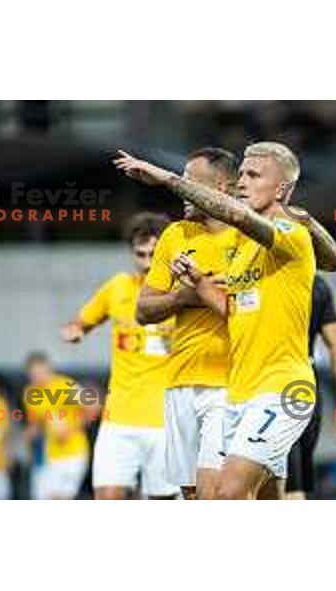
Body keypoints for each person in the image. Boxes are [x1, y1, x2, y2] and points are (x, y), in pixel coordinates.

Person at [114, 141, 336, 499]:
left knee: (226, 495)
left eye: (253, 175)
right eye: (241, 173)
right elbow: (234, 308)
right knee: (253, 498)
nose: (242, 181)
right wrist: (197, 283)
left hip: (284, 390)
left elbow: (242, 217)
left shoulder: (291, 235)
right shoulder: (244, 250)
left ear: (282, 189)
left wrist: (165, 178)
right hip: (241, 393)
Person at [137, 149, 237, 499]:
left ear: (222, 187)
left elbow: (239, 308)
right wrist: (183, 298)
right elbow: (143, 310)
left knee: (213, 494)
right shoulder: (175, 234)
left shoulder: (247, 238)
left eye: (190, 182)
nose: (182, 191)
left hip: (228, 384)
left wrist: (200, 288)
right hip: (179, 381)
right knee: (191, 495)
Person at [62, 212, 178, 499]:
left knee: (162, 502)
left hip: (165, 421)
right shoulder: (118, 287)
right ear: (132, 253)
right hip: (119, 418)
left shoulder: (182, 292)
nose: (148, 261)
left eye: (154, 253)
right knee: (107, 497)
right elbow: (81, 321)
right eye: (141, 254)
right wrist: (75, 330)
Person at [286, 274, 336, 499]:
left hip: (267, 385)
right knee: (294, 488)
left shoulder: (258, 277)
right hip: (304, 387)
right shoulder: (317, 284)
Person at [22, 352, 89, 499]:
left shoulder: (65, 385)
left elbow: (93, 406)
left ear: (49, 369)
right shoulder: (30, 393)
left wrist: (71, 428)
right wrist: (29, 436)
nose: (38, 377)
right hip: (49, 455)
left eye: (40, 373)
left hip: (74, 452)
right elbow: (36, 424)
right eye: (33, 374)